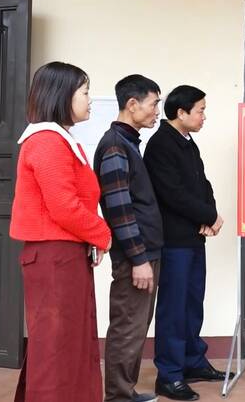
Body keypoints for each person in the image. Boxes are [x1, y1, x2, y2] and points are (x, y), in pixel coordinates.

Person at [10, 61, 112, 402]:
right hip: (54, 258)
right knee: (57, 348)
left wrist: (91, 238)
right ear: (61, 95)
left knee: (68, 343)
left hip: (63, 256)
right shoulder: (47, 141)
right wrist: (102, 234)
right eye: (84, 92)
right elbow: (64, 206)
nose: (89, 99)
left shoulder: (59, 140)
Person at [144, 85, 229, 401]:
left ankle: (193, 362)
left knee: (193, 302)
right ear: (181, 112)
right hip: (174, 240)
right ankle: (168, 375)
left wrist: (211, 214)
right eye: (201, 110)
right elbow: (173, 193)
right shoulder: (160, 145)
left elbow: (201, 183)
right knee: (174, 307)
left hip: (193, 237)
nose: (204, 116)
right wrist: (208, 215)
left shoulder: (187, 142)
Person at [95, 75, 163, 402]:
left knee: (136, 327)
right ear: (132, 104)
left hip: (146, 252)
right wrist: (138, 259)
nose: (157, 112)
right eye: (153, 104)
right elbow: (119, 209)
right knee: (127, 327)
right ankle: (118, 397)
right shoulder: (114, 146)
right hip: (135, 256)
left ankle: (126, 391)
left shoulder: (128, 143)